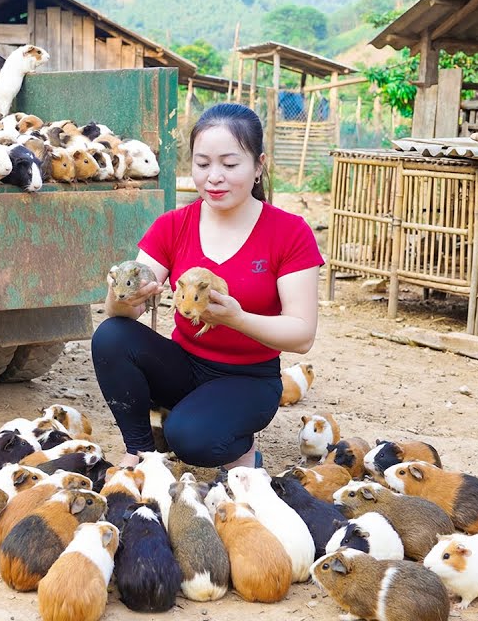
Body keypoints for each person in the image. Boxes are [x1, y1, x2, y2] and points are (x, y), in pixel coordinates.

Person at [91, 103, 324, 470]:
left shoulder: (289, 232)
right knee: (111, 336)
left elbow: (302, 335)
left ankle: (242, 449)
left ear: (258, 165)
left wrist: (237, 318)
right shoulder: (173, 225)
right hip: (185, 365)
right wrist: (120, 295)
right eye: (202, 164)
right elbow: (127, 308)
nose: (214, 177)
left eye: (230, 165)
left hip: (248, 380)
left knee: (191, 440)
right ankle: (139, 450)